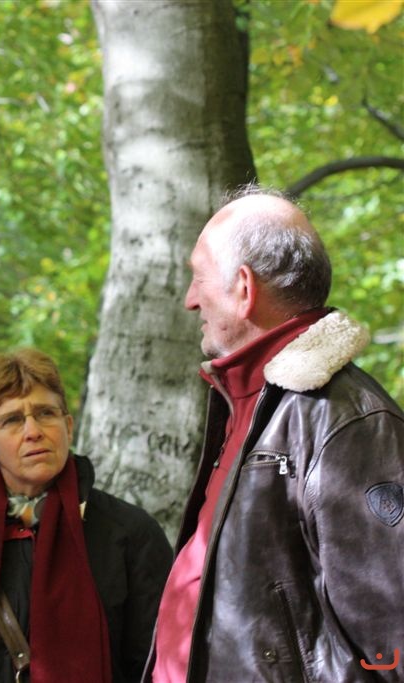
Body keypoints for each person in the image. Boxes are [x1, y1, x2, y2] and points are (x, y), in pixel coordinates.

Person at [149, 186, 404, 682]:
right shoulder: (250, 398)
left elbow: (393, 643)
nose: (190, 300)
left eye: (198, 278)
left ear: (244, 289)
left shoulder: (347, 421)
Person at [0, 348, 172, 683]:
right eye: (12, 420)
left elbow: (160, 669)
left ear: (68, 426)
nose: (33, 431)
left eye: (45, 413)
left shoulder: (130, 535)